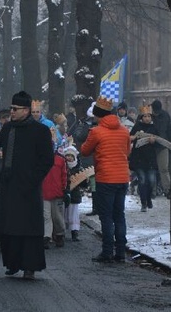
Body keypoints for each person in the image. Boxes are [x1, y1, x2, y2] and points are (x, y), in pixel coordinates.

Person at [0, 91, 53, 280]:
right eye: (11, 108)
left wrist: (33, 179)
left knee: (29, 228)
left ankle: (30, 266)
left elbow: (47, 160)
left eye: (15, 109)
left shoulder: (40, 131)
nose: (11, 112)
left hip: (29, 187)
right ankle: (13, 264)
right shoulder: (8, 128)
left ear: (26, 110)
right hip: (10, 185)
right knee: (10, 226)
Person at [80, 97, 131, 263]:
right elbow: (127, 152)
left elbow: (85, 151)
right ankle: (121, 252)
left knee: (106, 216)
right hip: (122, 177)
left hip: (105, 178)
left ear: (98, 115)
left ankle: (107, 251)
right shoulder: (124, 131)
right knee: (119, 215)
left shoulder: (96, 131)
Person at [129, 105, 158, 212]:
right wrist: (136, 136)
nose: (147, 118)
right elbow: (129, 138)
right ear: (141, 117)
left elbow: (159, 143)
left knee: (151, 181)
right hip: (139, 159)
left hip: (150, 159)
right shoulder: (137, 126)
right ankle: (143, 203)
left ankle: (149, 198)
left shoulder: (154, 128)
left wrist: (153, 141)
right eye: (145, 116)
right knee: (142, 181)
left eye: (149, 116)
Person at [42, 151, 67, 248]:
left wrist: (64, 189)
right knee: (46, 216)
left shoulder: (60, 160)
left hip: (57, 193)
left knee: (57, 217)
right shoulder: (40, 158)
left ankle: (59, 234)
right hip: (44, 193)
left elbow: (64, 175)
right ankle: (46, 237)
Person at [63, 146, 86, 241]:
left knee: (73, 214)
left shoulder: (79, 168)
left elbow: (84, 184)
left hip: (75, 195)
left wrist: (85, 181)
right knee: (63, 214)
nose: (69, 157)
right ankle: (61, 232)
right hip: (64, 194)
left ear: (74, 157)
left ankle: (74, 232)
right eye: (67, 155)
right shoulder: (63, 167)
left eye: (71, 156)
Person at [151, 100, 171, 198]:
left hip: (163, 145)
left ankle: (168, 190)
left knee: (163, 169)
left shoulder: (166, 115)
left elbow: (169, 130)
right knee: (152, 169)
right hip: (151, 145)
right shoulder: (148, 115)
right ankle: (152, 191)